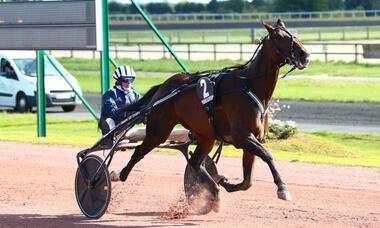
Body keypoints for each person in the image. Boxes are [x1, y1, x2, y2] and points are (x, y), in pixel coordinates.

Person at [99, 65, 140, 138]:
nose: (129, 82)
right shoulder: (110, 94)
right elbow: (112, 112)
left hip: (129, 127)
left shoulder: (134, 94)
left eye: (131, 79)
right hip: (114, 127)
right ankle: (110, 138)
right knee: (109, 120)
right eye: (126, 79)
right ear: (118, 81)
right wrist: (129, 112)